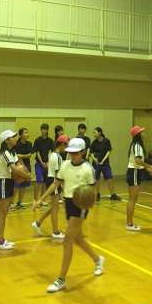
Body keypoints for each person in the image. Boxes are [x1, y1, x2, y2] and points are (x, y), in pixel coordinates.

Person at [34, 138, 104, 293]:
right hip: (68, 203)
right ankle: (97, 259)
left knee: (67, 240)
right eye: (71, 152)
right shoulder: (65, 165)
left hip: (80, 206)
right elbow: (55, 184)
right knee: (78, 239)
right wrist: (41, 199)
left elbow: (92, 191)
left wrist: (88, 203)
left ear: (83, 152)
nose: (73, 155)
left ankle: (61, 279)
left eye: (76, 153)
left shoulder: (87, 169)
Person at [0, 129, 30, 250]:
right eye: (13, 137)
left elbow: (19, 167)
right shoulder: (4, 153)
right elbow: (14, 169)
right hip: (3, 182)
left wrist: (24, 172)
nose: (16, 138)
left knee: (4, 213)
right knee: (2, 213)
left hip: (9, 182)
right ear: (7, 140)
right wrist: (27, 176)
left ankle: (1, 239)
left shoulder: (12, 152)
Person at [32, 135, 69, 239]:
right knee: (55, 207)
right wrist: (63, 187)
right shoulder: (57, 157)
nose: (67, 148)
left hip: (51, 179)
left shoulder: (53, 155)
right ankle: (55, 232)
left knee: (54, 206)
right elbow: (58, 174)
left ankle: (38, 222)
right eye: (66, 145)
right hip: (54, 180)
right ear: (62, 144)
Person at [126, 126, 152, 231]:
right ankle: (129, 224)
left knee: (132, 199)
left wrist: (147, 168)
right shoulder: (137, 145)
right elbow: (138, 161)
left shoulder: (136, 145)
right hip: (134, 172)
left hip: (134, 172)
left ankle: (129, 223)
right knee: (132, 199)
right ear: (138, 135)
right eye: (142, 132)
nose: (144, 133)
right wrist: (149, 166)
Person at [90, 127, 121, 202]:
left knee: (109, 177)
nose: (94, 134)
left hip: (105, 163)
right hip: (96, 164)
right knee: (97, 179)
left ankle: (113, 194)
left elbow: (109, 151)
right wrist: (94, 159)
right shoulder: (94, 142)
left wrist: (103, 160)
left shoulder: (106, 141)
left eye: (95, 132)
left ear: (100, 132)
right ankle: (97, 194)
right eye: (93, 133)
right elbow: (91, 153)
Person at [12, 128, 33, 210]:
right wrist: (22, 165)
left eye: (27, 132)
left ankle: (19, 203)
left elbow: (29, 155)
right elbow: (16, 156)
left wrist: (21, 156)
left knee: (24, 186)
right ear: (20, 135)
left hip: (27, 166)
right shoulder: (16, 144)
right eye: (25, 132)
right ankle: (11, 203)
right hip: (18, 166)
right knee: (16, 186)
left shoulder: (29, 144)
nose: (27, 134)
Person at [33, 123, 54, 203]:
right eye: (42, 129)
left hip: (48, 164)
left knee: (45, 182)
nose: (43, 131)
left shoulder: (50, 141)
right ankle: (35, 199)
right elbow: (37, 152)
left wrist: (48, 162)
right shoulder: (37, 140)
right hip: (39, 164)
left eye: (45, 129)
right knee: (39, 181)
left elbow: (51, 152)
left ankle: (42, 199)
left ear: (47, 130)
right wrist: (42, 162)